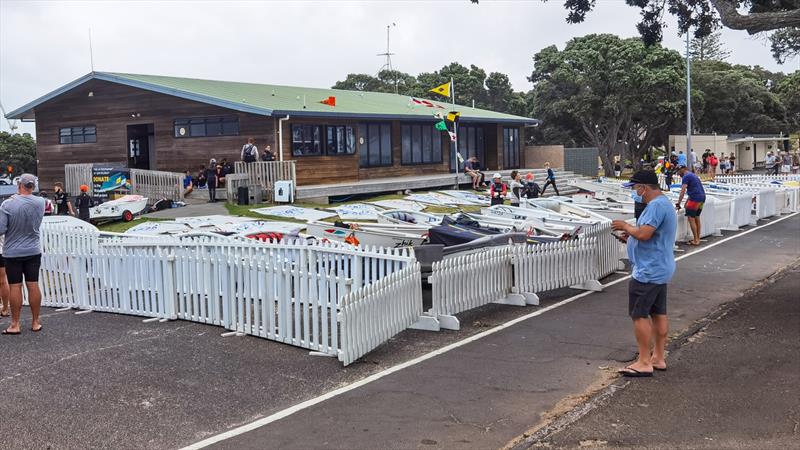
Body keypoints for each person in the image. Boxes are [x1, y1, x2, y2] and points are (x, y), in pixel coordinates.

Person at [611, 170, 677, 377]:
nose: (634, 192)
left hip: (648, 269)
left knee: (639, 315)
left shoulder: (655, 206)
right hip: (660, 266)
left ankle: (644, 361)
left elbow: (644, 234)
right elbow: (648, 235)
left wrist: (626, 226)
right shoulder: (665, 204)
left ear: (644, 188)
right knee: (659, 313)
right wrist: (630, 237)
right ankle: (658, 356)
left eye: (635, 188)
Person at [0, 173, 46, 335]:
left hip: (13, 252)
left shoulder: (7, 204)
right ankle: (35, 322)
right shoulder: (41, 202)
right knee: (33, 284)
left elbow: (1, 229)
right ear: (32, 186)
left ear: (19, 185)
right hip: (33, 250)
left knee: (15, 286)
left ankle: (15, 324)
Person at [675, 165, 706, 246]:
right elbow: (694, 189)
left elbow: (682, 191)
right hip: (702, 197)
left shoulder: (686, 177)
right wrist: (686, 202)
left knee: (691, 218)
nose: (678, 173)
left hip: (695, 199)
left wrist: (678, 203)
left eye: (678, 171)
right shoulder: (692, 175)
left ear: (683, 169)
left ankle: (696, 240)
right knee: (696, 217)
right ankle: (698, 238)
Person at [0, 235, 9, 317]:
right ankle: (5, 309)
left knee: (3, 281)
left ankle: (5, 308)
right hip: (2, 252)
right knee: (3, 281)